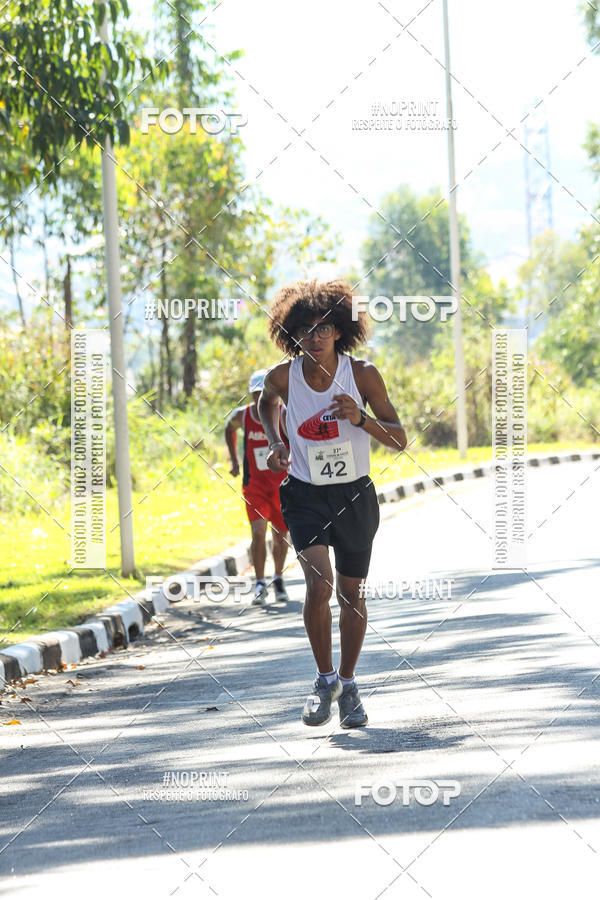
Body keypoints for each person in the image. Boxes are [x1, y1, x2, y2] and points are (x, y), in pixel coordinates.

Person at [258, 279, 407, 728]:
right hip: (303, 493)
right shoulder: (282, 377)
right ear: (293, 335)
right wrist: (275, 439)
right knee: (319, 585)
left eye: (324, 328)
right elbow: (267, 404)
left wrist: (360, 418)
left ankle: (349, 683)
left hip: (354, 494)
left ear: (340, 331)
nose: (316, 337)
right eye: (306, 329)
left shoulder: (362, 375)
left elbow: (399, 439)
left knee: (351, 594)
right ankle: (324, 681)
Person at [225, 369, 290, 605]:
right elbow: (228, 428)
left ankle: (279, 578)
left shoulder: (283, 413)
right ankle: (260, 582)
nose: (259, 398)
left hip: (282, 484)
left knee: (281, 535)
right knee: (258, 532)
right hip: (254, 486)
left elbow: (296, 437)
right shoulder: (243, 416)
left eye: (263, 392)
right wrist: (234, 460)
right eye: (255, 394)